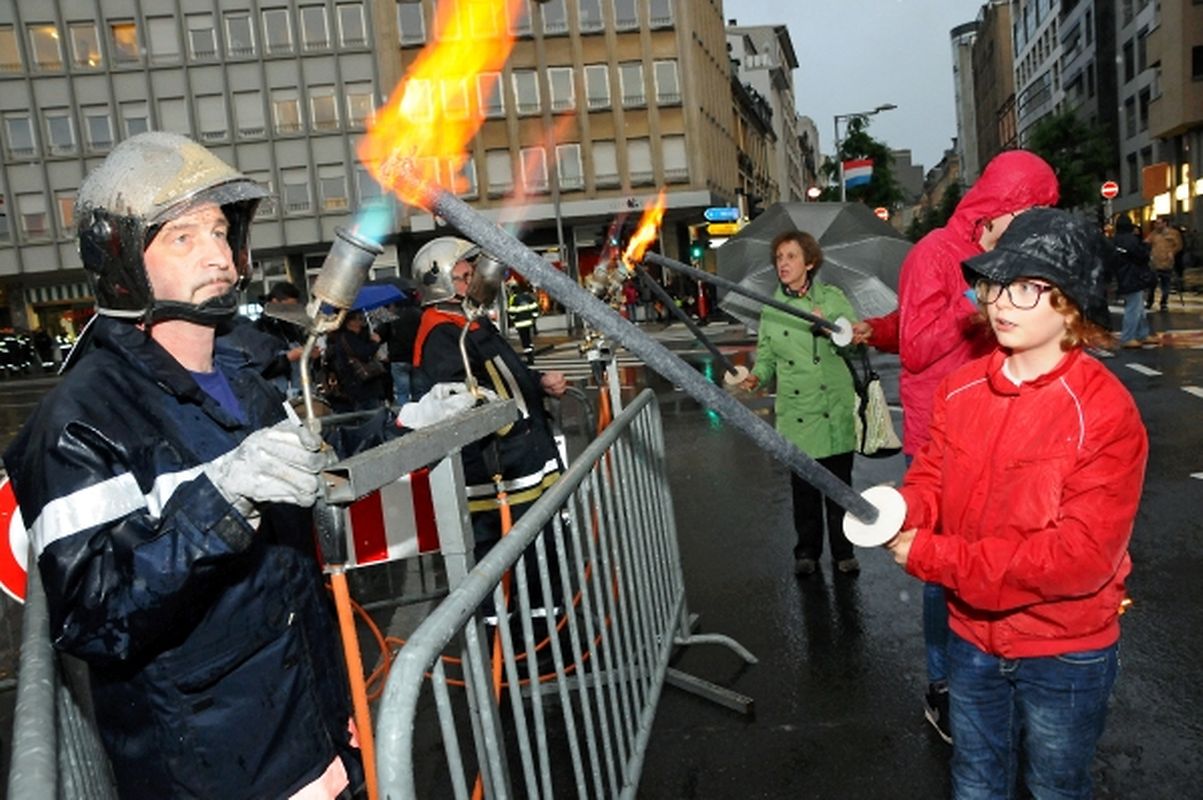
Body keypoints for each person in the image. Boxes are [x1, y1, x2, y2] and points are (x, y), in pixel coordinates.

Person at [1, 132, 363, 799]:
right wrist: (220, 498)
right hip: (214, 770)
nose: (219, 257)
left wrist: (396, 433)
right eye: (183, 238)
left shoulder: (247, 379)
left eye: (222, 233)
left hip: (315, 737)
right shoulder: (77, 421)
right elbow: (94, 618)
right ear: (122, 264)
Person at [884, 208, 1147, 798]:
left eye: (1029, 287)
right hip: (972, 639)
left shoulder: (1103, 412)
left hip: (1065, 650)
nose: (1001, 301)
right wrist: (902, 511)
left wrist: (935, 556)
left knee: (1056, 786)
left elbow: (1079, 558)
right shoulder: (961, 389)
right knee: (976, 781)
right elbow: (931, 475)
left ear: (1072, 305)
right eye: (997, 283)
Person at [851, 148, 1060, 744]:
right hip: (940, 437)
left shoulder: (1011, 252)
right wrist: (978, 298)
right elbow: (918, 347)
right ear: (1001, 206)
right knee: (941, 567)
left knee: (996, 556)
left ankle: (999, 674)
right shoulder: (937, 254)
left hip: (1003, 428)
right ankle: (943, 686)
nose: (1038, 220)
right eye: (1031, 208)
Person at [411, 237, 568, 574]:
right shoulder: (441, 333)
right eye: (465, 277)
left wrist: (538, 381)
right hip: (499, 471)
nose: (475, 284)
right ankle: (529, 626)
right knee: (521, 569)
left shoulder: (470, 322)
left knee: (547, 558)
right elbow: (462, 400)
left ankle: (554, 621)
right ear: (440, 285)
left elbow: (502, 373)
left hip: (524, 461)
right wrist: (512, 431)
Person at [740, 230, 861, 576]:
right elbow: (766, 358)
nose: (783, 263)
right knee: (804, 489)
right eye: (779, 257)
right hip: (797, 411)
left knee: (839, 488)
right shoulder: (772, 309)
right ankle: (806, 551)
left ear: (809, 262)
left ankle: (843, 551)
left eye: (791, 256)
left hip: (832, 407)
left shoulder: (833, 299)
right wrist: (756, 377)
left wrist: (831, 327)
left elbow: (854, 343)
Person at [326, 309, 390, 413]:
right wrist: (375, 343)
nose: (361, 323)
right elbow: (364, 353)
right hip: (362, 384)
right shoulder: (348, 338)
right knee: (371, 414)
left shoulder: (342, 338)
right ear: (350, 322)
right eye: (359, 319)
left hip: (356, 384)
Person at [1110, 214, 1155, 348]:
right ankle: (1128, 337)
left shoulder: (1114, 240)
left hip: (1122, 275)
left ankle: (1143, 333)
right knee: (1134, 307)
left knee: (1138, 306)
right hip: (1134, 275)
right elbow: (1142, 256)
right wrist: (1146, 246)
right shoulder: (1131, 240)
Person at [375, 293, 424, 405]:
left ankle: (404, 416)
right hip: (416, 357)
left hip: (398, 358)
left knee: (402, 393)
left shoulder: (392, 317)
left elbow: (380, 336)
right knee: (419, 391)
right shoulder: (419, 314)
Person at [1144, 215, 1184, 310]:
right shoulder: (1154, 234)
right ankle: (1150, 301)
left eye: (1158, 223)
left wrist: (1172, 252)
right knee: (1152, 284)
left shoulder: (1174, 233)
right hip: (1155, 263)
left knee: (1165, 284)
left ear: (1165, 223)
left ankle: (1163, 302)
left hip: (1167, 262)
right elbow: (1146, 242)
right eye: (1156, 223)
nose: (1156, 225)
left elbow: (1179, 245)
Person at [507, 278, 541, 364]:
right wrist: (534, 318)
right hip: (528, 322)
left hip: (520, 324)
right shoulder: (527, 296)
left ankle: (530, 359)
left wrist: (513, 319)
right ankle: (531, 355)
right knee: (528, 339)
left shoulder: (514, 299)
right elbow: (535, 307)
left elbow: (512, 312)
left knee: (525, 341)